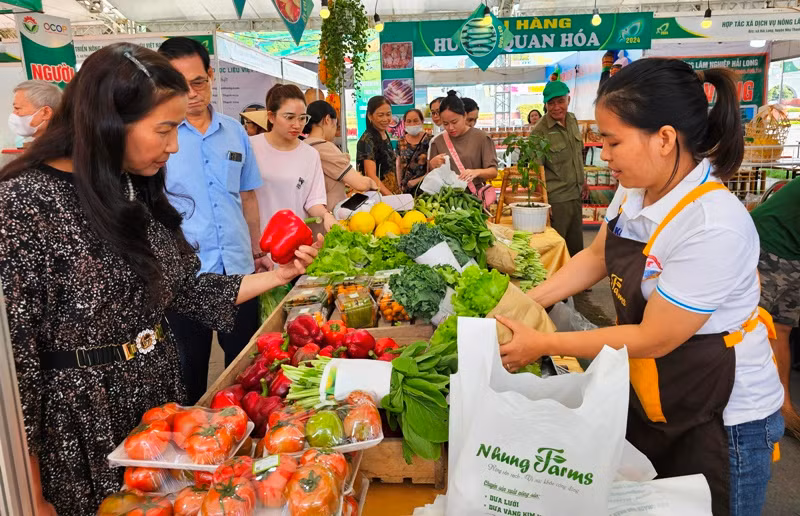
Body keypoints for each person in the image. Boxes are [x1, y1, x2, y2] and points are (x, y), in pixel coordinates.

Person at [0, 43, 318, 516]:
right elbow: (14, 365)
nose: (174, 146)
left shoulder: (130, 184)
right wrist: (30, 493)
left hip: (156, 411)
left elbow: (187, 289)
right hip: (83, 426)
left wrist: (284, 273)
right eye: (165, 129)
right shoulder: (23, 205)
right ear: (110, 120)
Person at [497, 58, 784, 516]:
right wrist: (521, 304)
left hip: (723, 418)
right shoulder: (635, 188)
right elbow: (596, 257)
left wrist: (544, 342)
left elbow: (654, 337)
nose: (603, 154)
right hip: (659, 392)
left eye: (613, 141)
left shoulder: (712, 225)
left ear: (664, 139)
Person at [158, 37, 265, 405]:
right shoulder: (160, 138)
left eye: (198, 82)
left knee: (246, 371)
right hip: (187, 280)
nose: (191, 94)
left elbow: (247, 196)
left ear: (211, 76)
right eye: (179, 84)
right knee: (189, 375)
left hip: (238, 271)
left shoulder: (235, 132)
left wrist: (257, 250)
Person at [250, 84, 337, 235]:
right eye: (289, 117)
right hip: (256, 238)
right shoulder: (251, 147)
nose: (297, 125)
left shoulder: (310, 155)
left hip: (293, 239)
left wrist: (326, 215)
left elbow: (314, 201)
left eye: (302, 118)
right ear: (271, 117)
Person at [751, 176, 800, 439]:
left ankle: (784, 406)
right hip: (767, 243)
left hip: (794, 253)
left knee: (781, 328)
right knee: (751, 325)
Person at [531, 80, 586, 258]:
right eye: (551, 103)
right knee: (557, 247)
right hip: (557, 199)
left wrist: (583, 181)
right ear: (545, 105)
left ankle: (578, 274)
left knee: (576, 244)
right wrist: (543, 204)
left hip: (576, 193)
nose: (556, 107)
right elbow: (536, 171)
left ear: (568, 100)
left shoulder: (572, 120)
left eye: (560, 101)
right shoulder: (539, 131)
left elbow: (577, 155)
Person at [303, 100, 377, 209]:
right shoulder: (324, 147)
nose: (335, 131)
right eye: (336, 125)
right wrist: (371, 183)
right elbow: (359, 184)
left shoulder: (304, 145)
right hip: (328, 212)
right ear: (327, 119)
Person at [428, 90, 497, 188]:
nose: (450, 128)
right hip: (447, 195)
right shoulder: (437, 142)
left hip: (475, 195)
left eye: (454, 122)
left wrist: (476, 172)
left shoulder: (482, 138)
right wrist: (432, 165)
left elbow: (493, 171)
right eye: (445, 123)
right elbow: (432, 177)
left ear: (464, 116)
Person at [357, 95, 399, 195]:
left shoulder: (384, 133)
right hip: (377, 196)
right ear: (370, 116)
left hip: (390, 193)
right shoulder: (367, 139)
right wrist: (390, 196)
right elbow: (371, 175)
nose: (385, 119)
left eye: (388, 114)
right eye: (380, 115)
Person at [396, 108, 433, 194]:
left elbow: (434, 168)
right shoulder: (401, 141)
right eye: (408, 121)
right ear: (404, 123)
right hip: (405, 189)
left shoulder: (430, 140)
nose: (412, 124)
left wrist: (417, 181)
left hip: (425, 189)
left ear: (422, 121)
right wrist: (399, 184)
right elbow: (399, 165)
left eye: (416, 121)